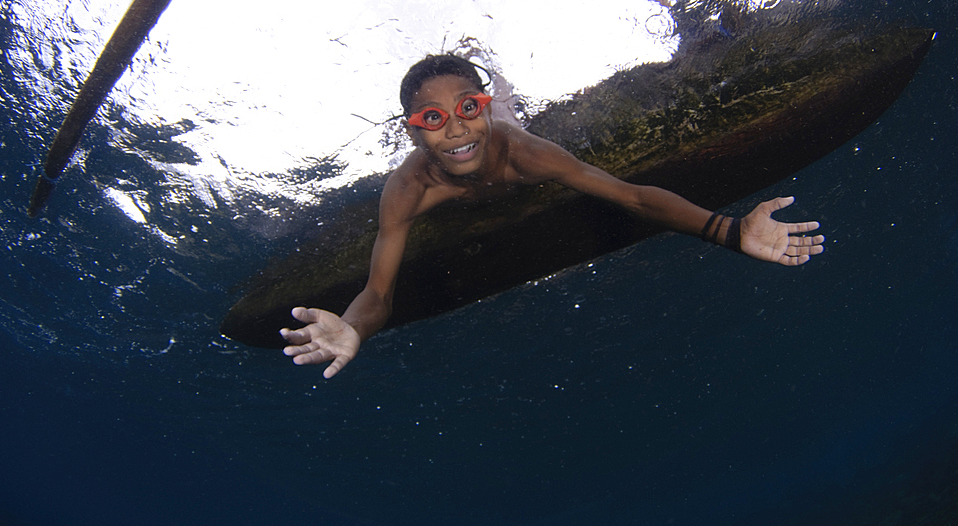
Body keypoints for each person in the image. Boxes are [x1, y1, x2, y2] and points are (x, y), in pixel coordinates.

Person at [280, 54, 825, 378]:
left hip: (518, 132)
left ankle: (495, 78)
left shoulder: (528, 154)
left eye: (469, 108)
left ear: (484, 106)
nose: (455, 129)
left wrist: (727, 230)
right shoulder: (407, 189)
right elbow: (379, 294)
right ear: (413, 129)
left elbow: (631, 197)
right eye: (433, 118)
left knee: (523, 114)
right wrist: (353, 327)